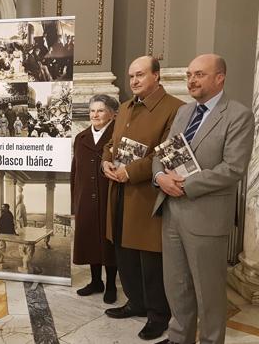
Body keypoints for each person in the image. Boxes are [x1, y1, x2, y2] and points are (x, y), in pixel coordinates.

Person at [152, 54, 254, 344]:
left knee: (208, 293)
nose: (191, 80)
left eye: (199, 74)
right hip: (172, 211)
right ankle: (179, 338)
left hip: (207, 217)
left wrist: (185, 184)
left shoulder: (238, 115)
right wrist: (160, 177)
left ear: (219, 77)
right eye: (188, 75)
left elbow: (233, 168)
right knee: (177, 285)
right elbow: (164, 154)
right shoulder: (184, 112)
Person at [101, 56, 184, 341]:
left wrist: (129, 173)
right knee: (124, 252)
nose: (134, 81)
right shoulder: (123, 107)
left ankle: (158, 315)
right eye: (131, 76)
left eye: (140, 75)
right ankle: (135, 302)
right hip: (120, 192)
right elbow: (111, 145)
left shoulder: (176, 109)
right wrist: (105, 163)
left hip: (149, 195)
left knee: (150, 259)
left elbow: (166, 155)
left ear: (157, 76)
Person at [71, 94, 119, 305]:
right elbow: (75, 172)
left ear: (111, 113)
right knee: (90, 240)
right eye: (92, 110)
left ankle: (110, 285)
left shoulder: (118, 136)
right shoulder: (80, 138)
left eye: (100, 110)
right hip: (86, 200)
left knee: (108, 242)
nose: (95, 114)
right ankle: (95, 281)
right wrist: (75, 201)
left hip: (108, 198)